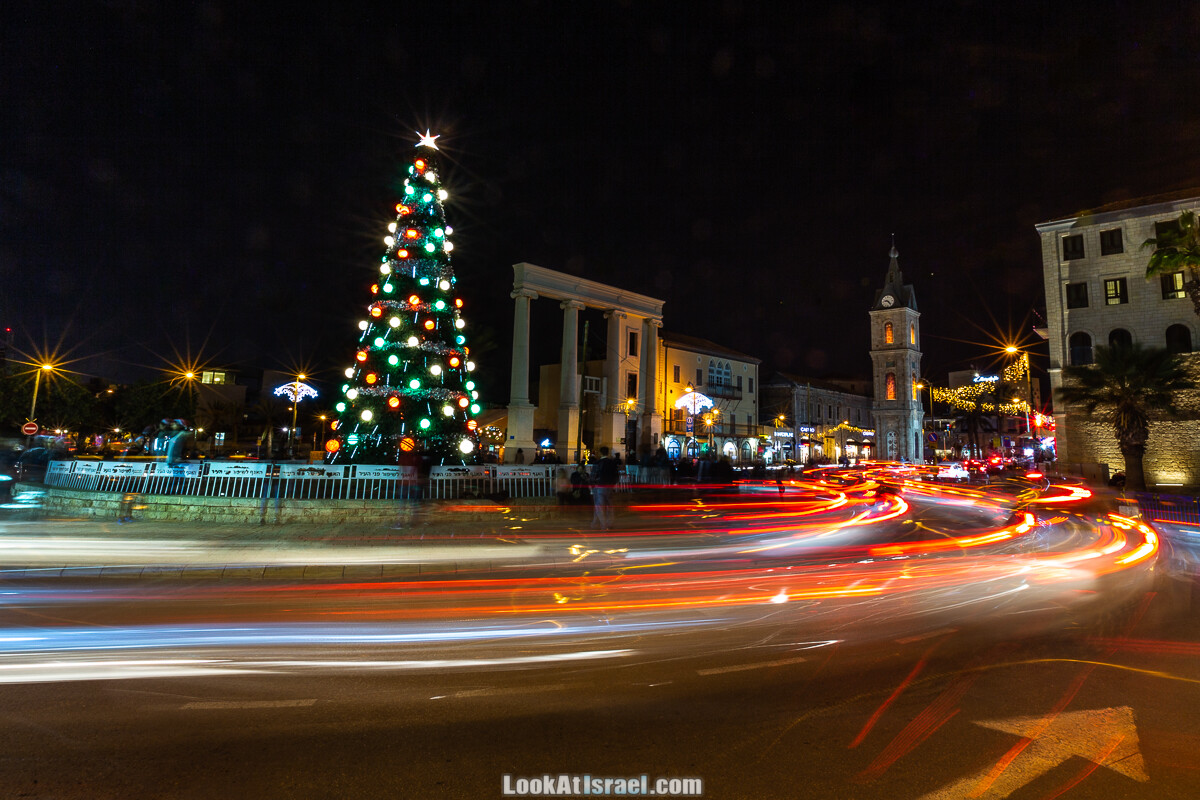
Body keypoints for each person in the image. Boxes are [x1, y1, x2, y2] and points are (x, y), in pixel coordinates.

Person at [590, 446, 619, 530]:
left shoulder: (597, 463)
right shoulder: (612, 463)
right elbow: (616, 476)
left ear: (600, 453)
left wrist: (592, 485)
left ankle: (603, 524)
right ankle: (608, 523)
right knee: (609, 506)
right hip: (609, 487)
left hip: (599, 486)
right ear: (608, 453)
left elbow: (593, 476)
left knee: (599, 506)